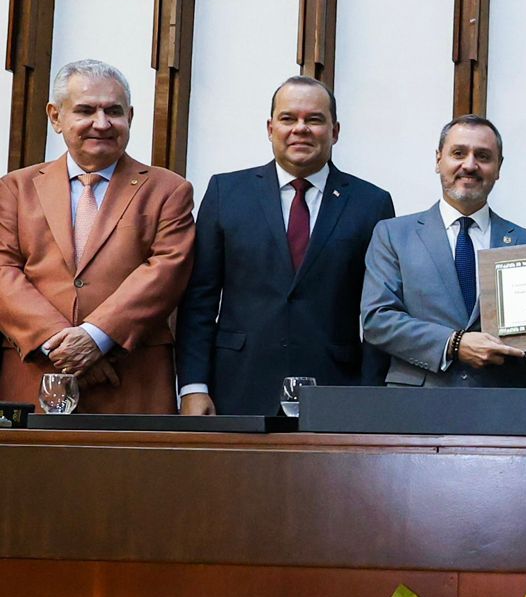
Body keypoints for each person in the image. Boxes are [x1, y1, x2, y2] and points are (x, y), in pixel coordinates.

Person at [176, 77, 395, 416]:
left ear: (335, 131)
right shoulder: (226, 193)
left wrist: (369, 393)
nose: (301, 129)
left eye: (315, 119)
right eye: (289, 118)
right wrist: (193, 386)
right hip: (236, 387)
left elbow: (380, 312)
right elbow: (199, 300)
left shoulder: (371, 204)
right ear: (270, 128)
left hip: (336, 389)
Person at [0, 59, 194, 413]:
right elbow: (3, 272)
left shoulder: (168, 190)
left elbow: (166, 271)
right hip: (35, 376)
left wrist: (95, 338)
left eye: (113, 111)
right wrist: (59, 345)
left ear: (130, 117)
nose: (101, 124)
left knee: (131, 471)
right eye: (86, 110)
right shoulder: (15, 189)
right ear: (55, 116)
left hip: (131, 380)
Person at [362, 115, 526, 388]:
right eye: (458, 153)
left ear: (499, 167)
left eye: (483, 156)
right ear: (438, 160)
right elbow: (378, 320)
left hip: (504, 406)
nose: (469, 165)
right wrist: (453, 344)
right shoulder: (393, 234)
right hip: (416, 405)